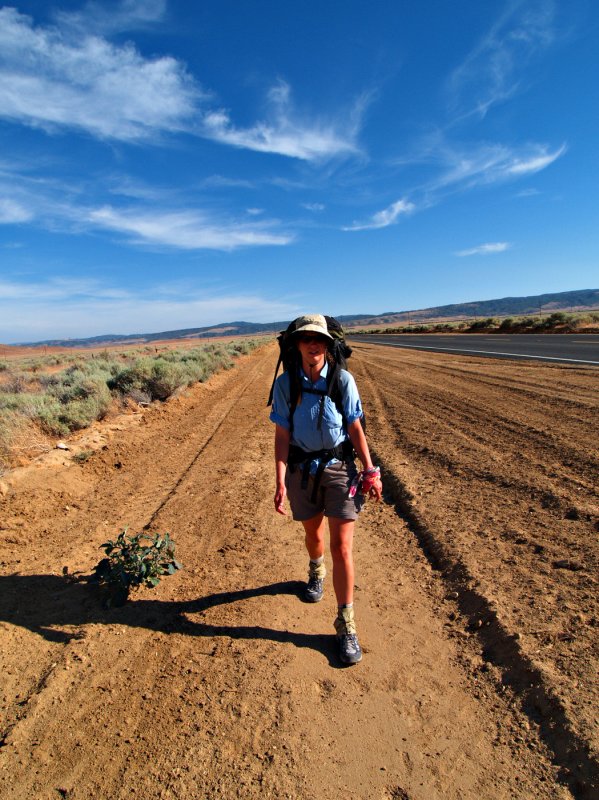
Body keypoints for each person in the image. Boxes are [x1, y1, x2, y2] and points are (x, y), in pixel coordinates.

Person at [269, 314, 382, 665]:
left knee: (342, 548)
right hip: (302, 472)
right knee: (314, 538)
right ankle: (315, 569)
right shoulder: (286, 384)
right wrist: (279, 481)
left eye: (318, 338)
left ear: (327, 343)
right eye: (305, 339)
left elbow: (355, 426)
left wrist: (370, 470)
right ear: (297, 345)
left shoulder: (342, 380)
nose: (312, 344)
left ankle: (346, 623)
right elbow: (282, 436)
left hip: (339, 471)